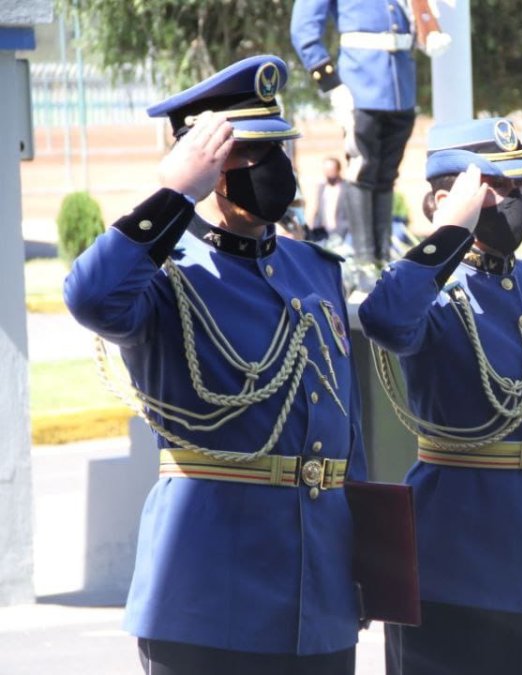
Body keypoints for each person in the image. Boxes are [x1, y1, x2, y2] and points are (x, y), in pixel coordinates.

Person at [63, 55, 366, 674]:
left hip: (322, 599)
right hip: (210, 597)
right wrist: (172, 192)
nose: (275, 169)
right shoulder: (163, 270)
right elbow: (90, 298)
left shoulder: (315, 270)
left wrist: (362, 566)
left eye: (278, 151)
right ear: (206, 165)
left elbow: (343, 431)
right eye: (250, 154)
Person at [358, 117, 522, 675]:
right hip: (457, 557)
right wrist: (447, 235)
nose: (512, 201)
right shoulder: (428, 289)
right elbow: (383, 321)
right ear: (444, 199)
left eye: (518, 188)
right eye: (493, 189)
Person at [291, 0, 449, 286]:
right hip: (359, 83)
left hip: (400, 84)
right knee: (362, 172)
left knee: (387, 175)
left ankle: (381, 257)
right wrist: (330, 82)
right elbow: (303, 29)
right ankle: (365, 261)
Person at [311, 156, 350, 242]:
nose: (328, 173)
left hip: (344, 233)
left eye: (331, 170)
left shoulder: (347, 188)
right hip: (324, 234)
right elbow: (318, 212)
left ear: (338, 170)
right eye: (326, 170)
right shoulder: (321, 188)